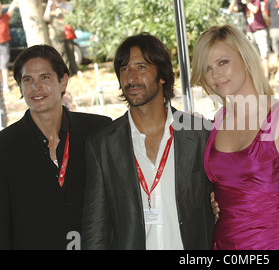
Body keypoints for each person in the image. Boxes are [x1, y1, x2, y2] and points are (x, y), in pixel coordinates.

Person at [81, 33, 214, 250]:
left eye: (141, 67)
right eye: (124, 69)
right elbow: (96, 226)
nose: (131, 78)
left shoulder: (199, 133)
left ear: (162, 75)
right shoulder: (102, 145)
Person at [190, 24, 279, 250]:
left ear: (246, 60)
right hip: (224, 243)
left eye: (222, 62)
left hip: (275, 244)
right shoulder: (218, 120)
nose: (215, 75)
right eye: (207, 68)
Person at [0, 45, 111, 249]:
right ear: (20, 87)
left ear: (63, 81)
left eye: (45, 78)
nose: (36, 87)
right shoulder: (5, 145)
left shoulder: (99, 130)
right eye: (27, 80)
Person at [229, 0, 270, 80]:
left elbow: (255, 10)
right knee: (254, 55)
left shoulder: (256, 2)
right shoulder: (243, 6)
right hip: (250, 33)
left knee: (264, 54)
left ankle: (266, 76)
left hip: (260, 31)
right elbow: (231, 10)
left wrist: (247, 1)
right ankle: (259, 76)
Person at [0, 0, 19, 93]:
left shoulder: (4, 17)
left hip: (3, 45)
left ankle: (6, 85)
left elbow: (11, 9)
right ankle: (1, 84)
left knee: (4, 65)